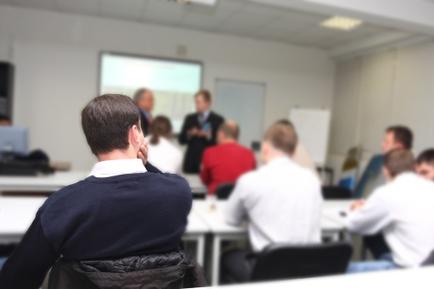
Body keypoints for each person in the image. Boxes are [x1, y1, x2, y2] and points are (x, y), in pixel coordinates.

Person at [0, 94, 194, 289]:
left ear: (92, 141)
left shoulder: (61, 206)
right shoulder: (178, 192)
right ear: (135, 134)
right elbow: (163, 182)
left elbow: (15, 280)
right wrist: (147, 165)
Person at [222, 123, 323, 283]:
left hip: (269, 271)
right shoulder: (312, 180)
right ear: (294, 151)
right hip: (308, 270)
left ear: (265, 148)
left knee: (227, 257)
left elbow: (231, 218)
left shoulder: (250, 181)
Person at [346, 149, 434, 273]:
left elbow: (353, 225)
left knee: (339, 270)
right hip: (427, 264)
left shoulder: (387, 193)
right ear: (414, 167)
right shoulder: (430, 187)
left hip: (412, 270)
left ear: (385, 170)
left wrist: (355, 210)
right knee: (385, 255)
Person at [355, 125, 413, 198]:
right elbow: (359, 191)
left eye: (386, 142)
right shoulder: (377, 160)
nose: (382, 145)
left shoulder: (411, 168)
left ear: (398, 146)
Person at [200, 121, 256, 194]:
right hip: (242, 199)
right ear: (237, 136)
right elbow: (253, 178)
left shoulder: (209, 152)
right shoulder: (249, 153)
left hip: (215, 199)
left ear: (221, 134)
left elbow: (205, 179)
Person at [178, 89, 224, 173]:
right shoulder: (190, 118)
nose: (196, 105)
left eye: (198, 102)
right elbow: (181, 140)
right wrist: (190, 134)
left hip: (209, 162)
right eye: (195, 102)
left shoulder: (218, 120)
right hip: (191, 163)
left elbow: (221, 142)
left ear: (207, 103)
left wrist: (208, 136)